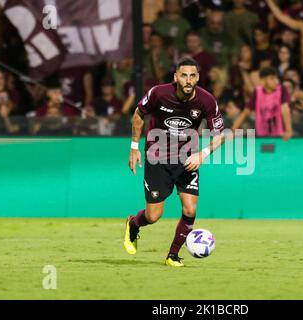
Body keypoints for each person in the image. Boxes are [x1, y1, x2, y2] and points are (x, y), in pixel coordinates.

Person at [124, 57, 225, 267]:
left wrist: (203, 153)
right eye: (184, 75)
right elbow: (138, 114)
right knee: (153, 216)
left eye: (193, 76)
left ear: (198, 78)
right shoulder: (159, 93)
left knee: (190, 210)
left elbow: (220, 135)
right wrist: (134, 147)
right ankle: (133, 223)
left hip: (187, 158)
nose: (188, 80)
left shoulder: (207, 101)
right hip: (157, 157)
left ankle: (172, 255)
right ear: (176, 77)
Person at [232, 67, 293, 139]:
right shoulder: (257, 92)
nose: (276, 81)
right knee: (265, 149)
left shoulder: (282, 89)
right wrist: (233, 130)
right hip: (261, 135)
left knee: (276, 149)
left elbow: (285, 109)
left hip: (280, 135)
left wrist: (288, 130)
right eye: (272, 78)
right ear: (263, 80)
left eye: (276, 78)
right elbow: (245, 112)